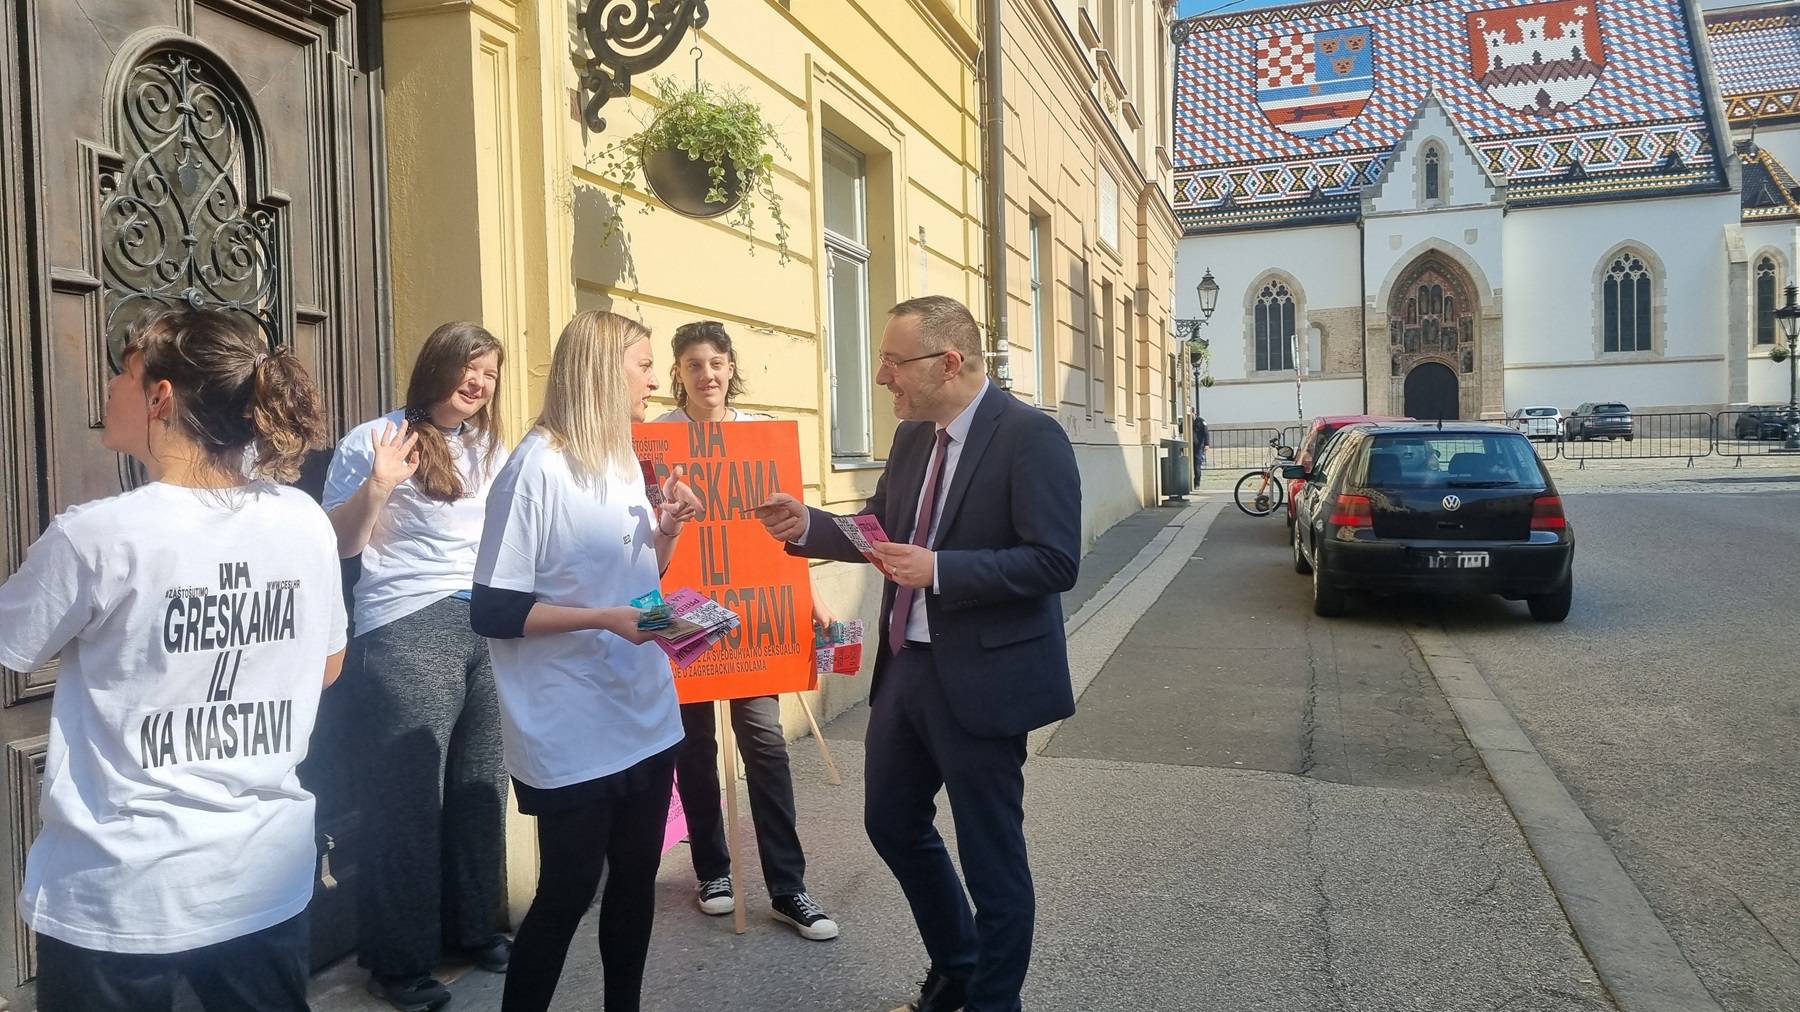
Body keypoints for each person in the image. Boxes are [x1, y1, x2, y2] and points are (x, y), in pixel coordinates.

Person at [0, 308, 345, 1011]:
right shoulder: (303, 519)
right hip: (260, 875)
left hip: (118, 894)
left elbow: (16, 644)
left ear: (161, 396)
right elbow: (328, 666)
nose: (107, 388)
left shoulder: (97, 536)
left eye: (123, 374)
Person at [754, 296, 1081, 1012]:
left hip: (986, 679)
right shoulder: (912, 439)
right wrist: (808, 525)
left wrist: (943, 570)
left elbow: (1056, 562)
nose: (881, 377)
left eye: (894, 362)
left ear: (949, 363)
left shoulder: (1030, 437)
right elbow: (883, 533)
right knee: (891, 821)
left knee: (993, 860)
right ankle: (960, 967)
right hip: (907, 670)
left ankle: (992, 1003)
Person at [469, 310, 702, 1012]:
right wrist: (606, 619)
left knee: (637, 878)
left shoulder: (625, 457)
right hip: (569, 725)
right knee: (569, 889)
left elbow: (637, 585)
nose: (656, 379)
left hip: (643, 711)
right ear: (604, 370)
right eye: (643, 363)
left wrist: (667, 531)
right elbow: (493, 610)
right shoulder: (534, 468)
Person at [324, 321, 512, 1011]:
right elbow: (338, 545)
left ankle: (474, 928)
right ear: (436, 364)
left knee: (478, 784)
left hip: (485, 623)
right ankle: (398, 961)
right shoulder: (376, 439)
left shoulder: (492, 446)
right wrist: (378, 486)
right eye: (469, 365)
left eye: (490, 371)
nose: (478, 380)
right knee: (406, 801)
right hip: (406, 625)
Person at [655, 320, 840, 941]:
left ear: (731, 367)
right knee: (694, 747)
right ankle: (713, 871)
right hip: (684, 613)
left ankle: (789, 886)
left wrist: (811, 603)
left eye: (715, 362)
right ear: (677, 374)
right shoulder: (655, 444)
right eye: (692, 364)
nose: (706, 374)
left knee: (764, 744)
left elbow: (786, 535)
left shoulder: (760, 437)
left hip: (754, 618)